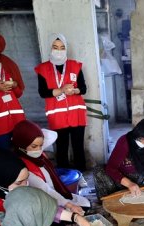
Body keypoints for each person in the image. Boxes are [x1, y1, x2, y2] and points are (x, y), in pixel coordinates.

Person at [11, 120, 90, 216]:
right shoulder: (22, 167)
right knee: (73, 214)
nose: (38, 150)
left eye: (41, 145)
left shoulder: (39, 157)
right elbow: (46, 190)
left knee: (86, 204)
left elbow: (52, 135)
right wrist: (68, 204)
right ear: (21, 145)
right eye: (34, 146)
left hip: (55, 194)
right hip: (43, 202)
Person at [35, 33, 87, 170]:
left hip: (77, 114)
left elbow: (83, 88)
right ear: (50, 48)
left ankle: (81, 174)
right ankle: (64, 176)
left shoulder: (75, 66)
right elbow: (43, 92)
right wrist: (62, 90)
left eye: (62, 47)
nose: (59, 50)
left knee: (78, 147)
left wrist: (74, 91)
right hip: (57, 116)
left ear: (66, 49)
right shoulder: (43, 69)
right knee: (61, 148)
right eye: (55, 47)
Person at [93, 119, 144, 198]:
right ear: (135, 135)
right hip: (123, 177)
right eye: (140, 139)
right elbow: (111, 168)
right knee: (98, 171)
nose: (143, 143)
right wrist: (129, 184)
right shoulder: (124, 142)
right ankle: (109, 201)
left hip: (142, 176)